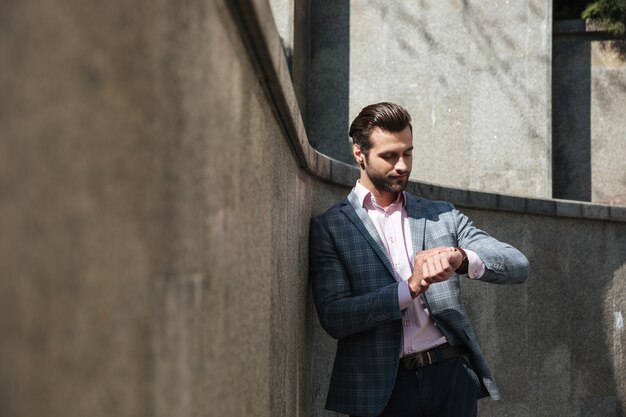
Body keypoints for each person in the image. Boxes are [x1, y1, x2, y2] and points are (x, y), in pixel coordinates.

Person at [309, 102, 529, 417]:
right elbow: (335, 316)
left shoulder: (441, 215)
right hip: (380, 390)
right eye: (389, 156)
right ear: (359, 153)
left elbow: (516, 264)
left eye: (407, 153)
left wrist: (460, 258)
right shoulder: (331, 227)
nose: (402, 165)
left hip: (451, 377)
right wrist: (408, 289)